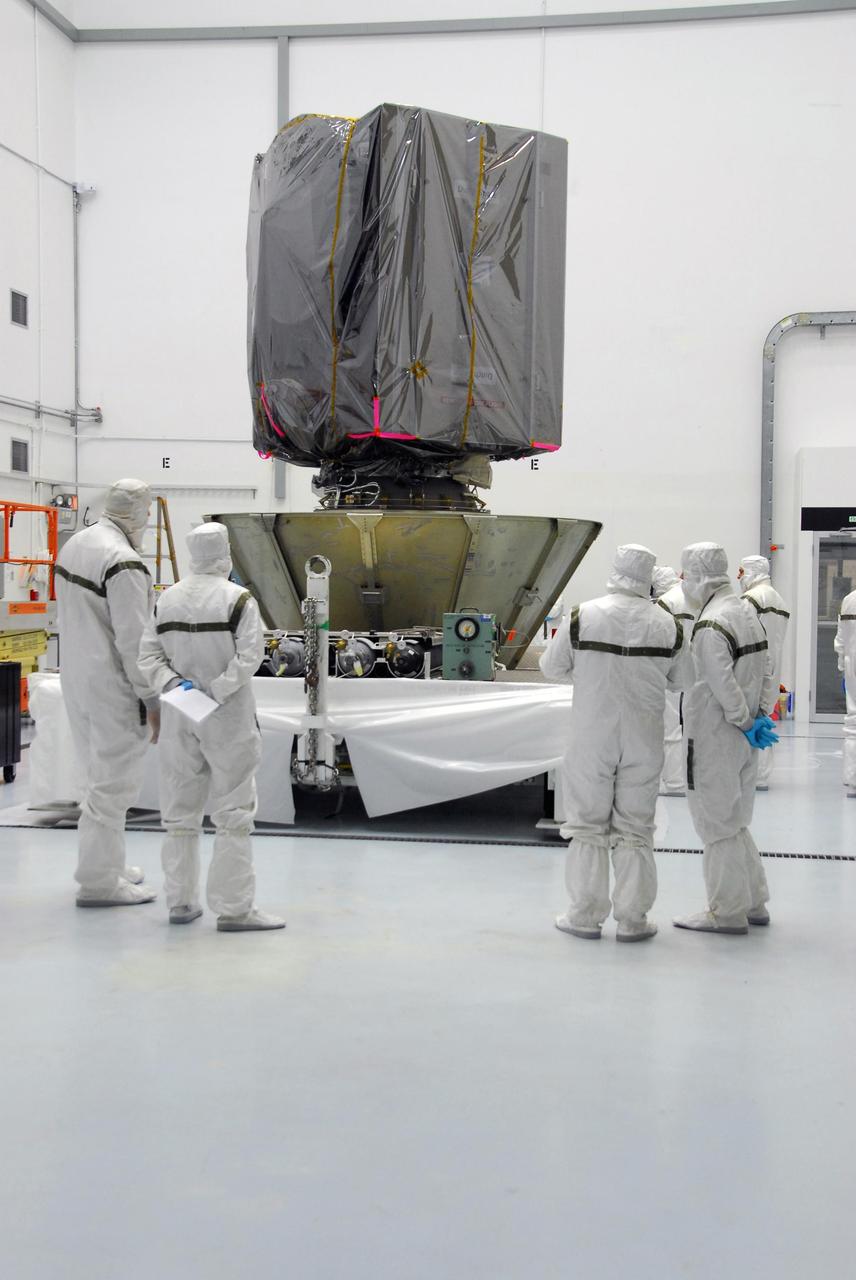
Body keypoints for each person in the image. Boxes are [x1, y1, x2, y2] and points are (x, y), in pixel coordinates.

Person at [540, 544, 692, 942]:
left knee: (587, 825)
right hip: (644, 739)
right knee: (637, 827)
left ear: (616, 570)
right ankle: (633, 919)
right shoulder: (668, 624)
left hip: (592, 735)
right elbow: (682, 680)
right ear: (649, 577)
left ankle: (584, 917)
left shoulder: (582, 615)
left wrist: (592, 676)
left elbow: (551, 668)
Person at [138, 522, 285, 932]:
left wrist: (177, 688)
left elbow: (147, 658)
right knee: (233, 809)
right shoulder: (238, 599)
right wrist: (215, 692)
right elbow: (250, 655)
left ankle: (180, 902)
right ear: (226, 552)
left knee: (179, 812)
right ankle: (234, 909)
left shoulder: (166, 600)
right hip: (227, 717)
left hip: (179, 711)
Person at [55, 478, 159, 907]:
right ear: (137, 514)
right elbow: (136, 643)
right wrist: (152, 699)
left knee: (97, 777)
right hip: (113, 687)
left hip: (77, 677)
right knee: (113, 785)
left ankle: (108, 863)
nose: (150, 520)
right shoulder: (124, 563)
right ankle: (98, 882)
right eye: (148, 512)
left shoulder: (79, 542)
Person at [674, 543, 778, 935]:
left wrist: (740, 717)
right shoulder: (746, 612)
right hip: (745, 736)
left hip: (714, 736)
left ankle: (726, 912)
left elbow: (721, 685)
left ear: (698, 576)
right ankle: (753, 901)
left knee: (716, 824)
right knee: (734, 822)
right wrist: (758, 717)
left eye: (686, 576)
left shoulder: (710, 625)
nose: (683, 583)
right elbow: (766, 668)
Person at [738, 555, 790, 790]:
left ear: (751, 571)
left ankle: (750, 773)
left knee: (748, 715)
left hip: (754, 664)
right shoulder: (779, 600)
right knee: (765, 715)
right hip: (773, 665)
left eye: (742, 571)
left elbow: (743, 633)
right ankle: (761, 775)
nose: (739, 577)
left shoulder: (751, 599)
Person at [652, 565, 693, 795]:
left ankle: (675, 782)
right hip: (694, 671)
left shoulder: (665, 603)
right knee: (686, 726)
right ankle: (685, 777)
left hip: (670, 672)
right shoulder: (692, 598)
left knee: (670, 729)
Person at [834, 588, 856, 797]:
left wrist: (843, 666)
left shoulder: (849, 600)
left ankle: (853, 780)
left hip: (853, 667)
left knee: (853, 723)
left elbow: (841, 640)